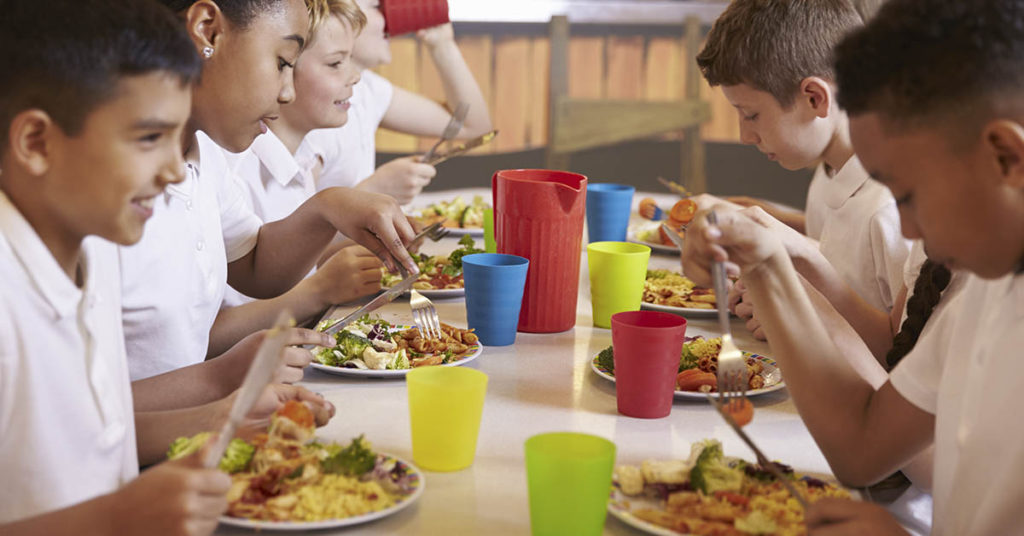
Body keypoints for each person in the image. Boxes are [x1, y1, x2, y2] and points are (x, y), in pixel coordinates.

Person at [682, 0, 1024, 532]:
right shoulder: (985, 291)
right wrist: (771, 261)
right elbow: (862, 448)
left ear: (1005, 157)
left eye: (909, 195)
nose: (907, 230)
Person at [0, 1, 331, 533]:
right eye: (149, 139)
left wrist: (217, 418)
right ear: (36, 143)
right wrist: (116, 519)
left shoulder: (91, 251)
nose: (176, 170)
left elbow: (91, 439)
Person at [121, 0, 420, 400]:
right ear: (209, 31)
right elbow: (85, 419)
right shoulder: (108, 190)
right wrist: (221, 379)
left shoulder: (203, 154)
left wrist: (329, 206)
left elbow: (255, 264)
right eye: (283, 62)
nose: (287, 92)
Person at [696, 0, 910, 318]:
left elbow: (902, 349)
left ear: (814, 98)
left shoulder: (889, 210)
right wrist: (767, 217)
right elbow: (834, 242)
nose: (745, 136)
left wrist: (790, 308)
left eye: (751, 115)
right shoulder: (831, 169)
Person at [213, 0, 385, 352]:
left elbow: (274, 269)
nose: (355, 76)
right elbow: (209, 333)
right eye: (336, 63)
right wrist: (321, 289)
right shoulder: (235, 170)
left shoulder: (301, 161)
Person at [305, 0, 492, 205]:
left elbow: (470, 125)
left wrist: (443, 45)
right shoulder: (312, 110)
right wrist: (374, 191)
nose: (390, 19)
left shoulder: (366, 89)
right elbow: (292, 233)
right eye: (377, 6)